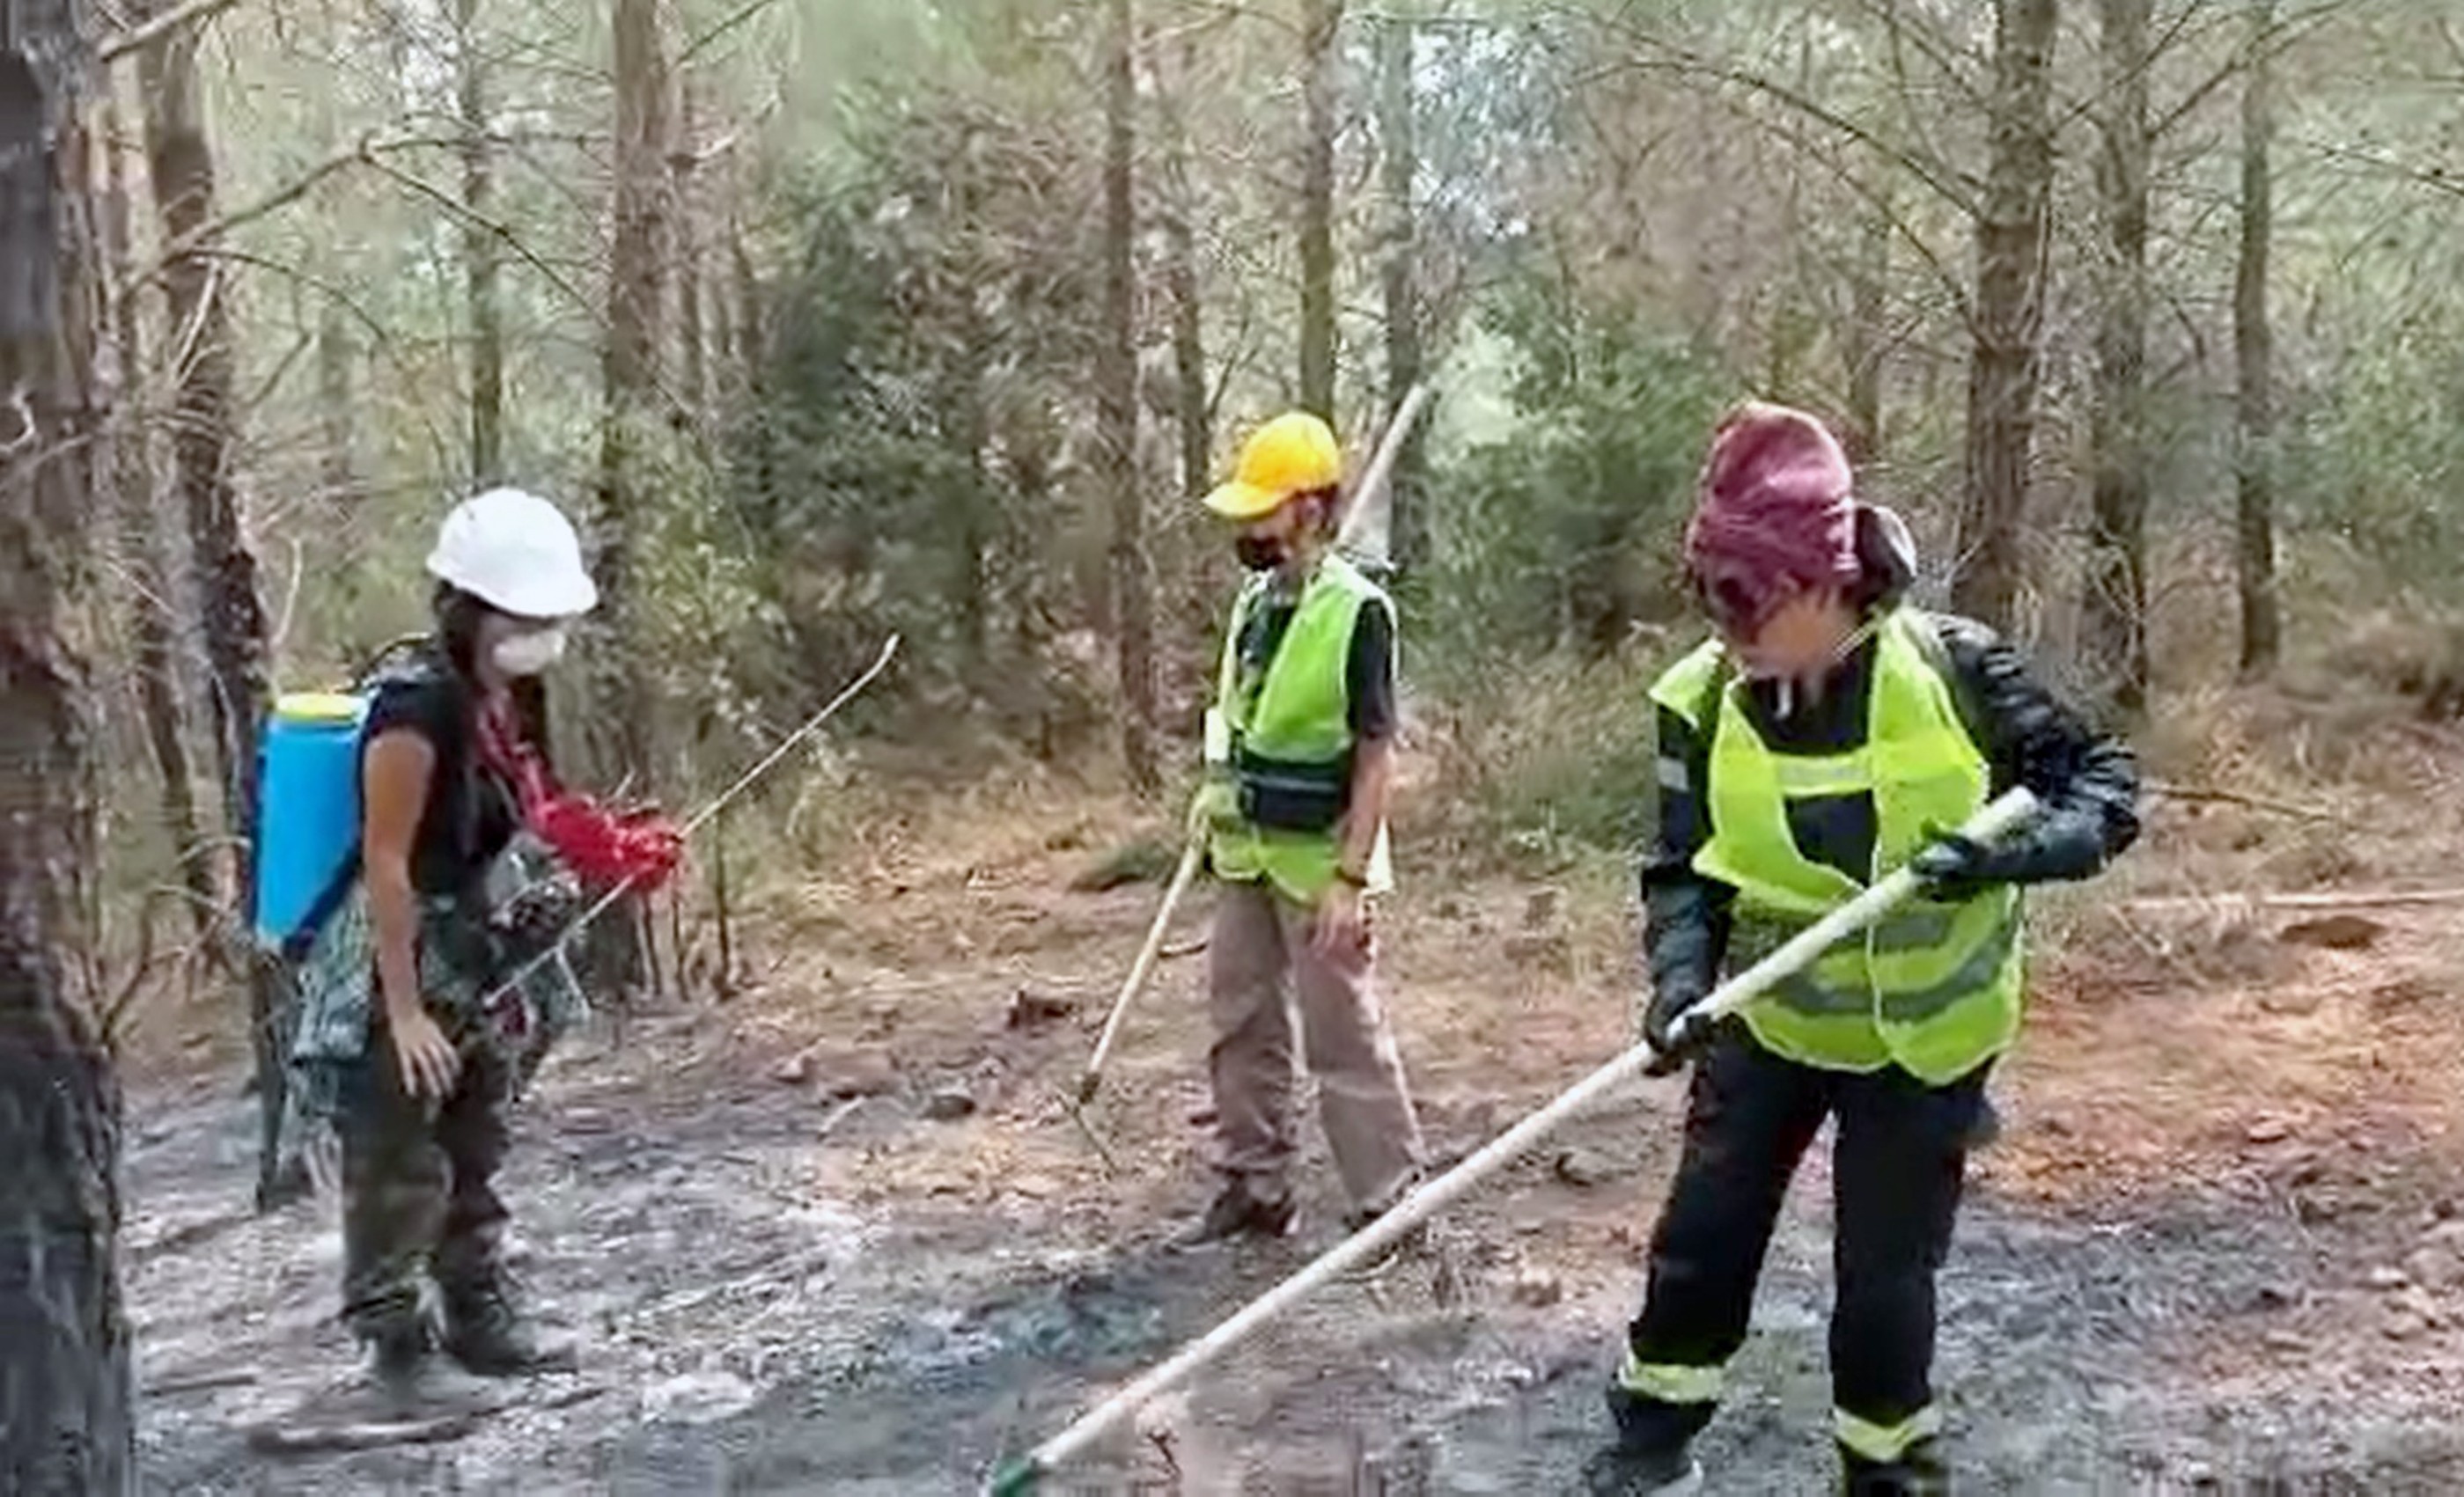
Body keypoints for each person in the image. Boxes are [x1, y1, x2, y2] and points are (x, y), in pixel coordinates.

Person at [1589, 405, 2140, 1495]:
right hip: (1772, 1024)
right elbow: (1682, 868)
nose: (1728, 623)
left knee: (1883, 1280)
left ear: (1836, 578)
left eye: (1754, 595)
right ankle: (1652, 1446)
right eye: (1712, 594)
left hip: (1924, 1047)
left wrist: (2007, 859)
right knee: (1703, 1238)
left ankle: (1884, 1469)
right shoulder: (1699, 705)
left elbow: (2104, 785)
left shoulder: (1956, 673)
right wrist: (1681, 980)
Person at [288, 488, 678, 1414]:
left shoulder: (507, 699)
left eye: (551, 617)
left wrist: (600, 849)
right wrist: (404, 1009)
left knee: (473, 1138)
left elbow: (517, 817)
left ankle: (477, 1314)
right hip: (397, 960)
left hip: (474, 949)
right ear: (473, 608)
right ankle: (395, 1354)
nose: (544, 632)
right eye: (527, 615)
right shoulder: (415, 710)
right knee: (398, 1154)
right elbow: (387, 860)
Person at [1179, 411, 1427, 1246]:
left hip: (1320, 860)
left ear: (1310, 509)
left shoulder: (1358, 612)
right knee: (1238, 1021)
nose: (1246, 527)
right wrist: (1208, 810)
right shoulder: (1254, 604)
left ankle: (1389, 1204)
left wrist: (1350, 880)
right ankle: (1255, 1185)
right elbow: (1239, 718)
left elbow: (1373, 755)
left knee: (1342, 1036)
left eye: (1263, 509)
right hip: (1243, 849)